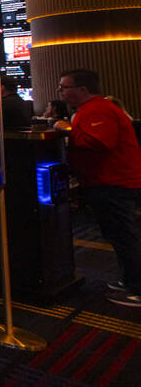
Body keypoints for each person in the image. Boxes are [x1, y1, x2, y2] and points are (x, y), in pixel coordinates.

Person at [53, 68, 141, 307]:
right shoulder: (89, 110)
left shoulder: (98, 109)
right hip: (107, 181)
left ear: (82, 89)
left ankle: (137, 288)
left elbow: (98, 142)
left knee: (124, 236)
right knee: (118, 234)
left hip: (113, 182)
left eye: (64, 87)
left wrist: (66, 129)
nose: (60, 91)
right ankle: (129, 279)